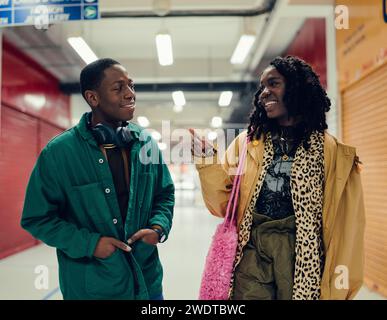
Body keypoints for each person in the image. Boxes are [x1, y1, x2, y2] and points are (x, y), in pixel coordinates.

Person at [191, 55, 365, 300]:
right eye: (262, 86)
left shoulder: (332, 153)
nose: (264, 92)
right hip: (252, 251)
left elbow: (348, 229)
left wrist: (340, 287)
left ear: (296, 88)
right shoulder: (247, 144)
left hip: (303, 255)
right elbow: (222, 204)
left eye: (273, 84)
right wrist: (208, 162)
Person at [21, 58, 175, 300]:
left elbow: (164, 194)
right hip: (92, 289)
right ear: (93, 98)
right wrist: (90, 245)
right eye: (118, 88)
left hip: (147, 283)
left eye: (131, 86)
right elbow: (37, 218)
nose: (130, 94)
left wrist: (159, 227)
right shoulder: (60, 153)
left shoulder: (145, 143)